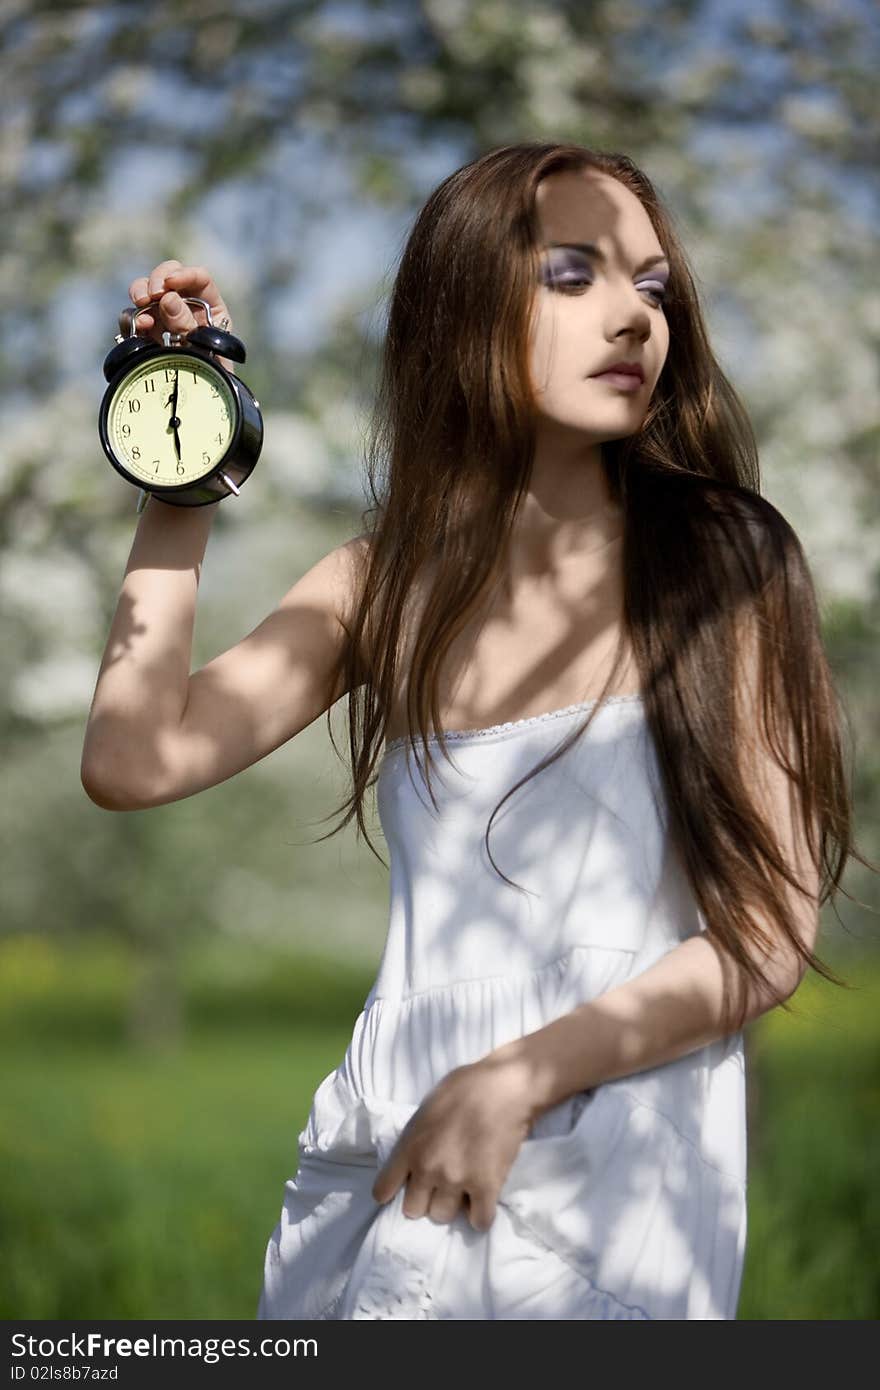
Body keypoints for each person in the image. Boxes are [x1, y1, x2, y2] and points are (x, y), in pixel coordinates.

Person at [81, 141, 867, 1320]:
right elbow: (133, 760)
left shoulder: (720, 558)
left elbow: (763, 931)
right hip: (387, 1154)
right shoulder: (383, 582)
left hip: (613, 1161)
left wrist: (514, 1080)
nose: (633, 318)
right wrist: (181, 465)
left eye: (652, 287)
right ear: (462, 306)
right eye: (574, 274)